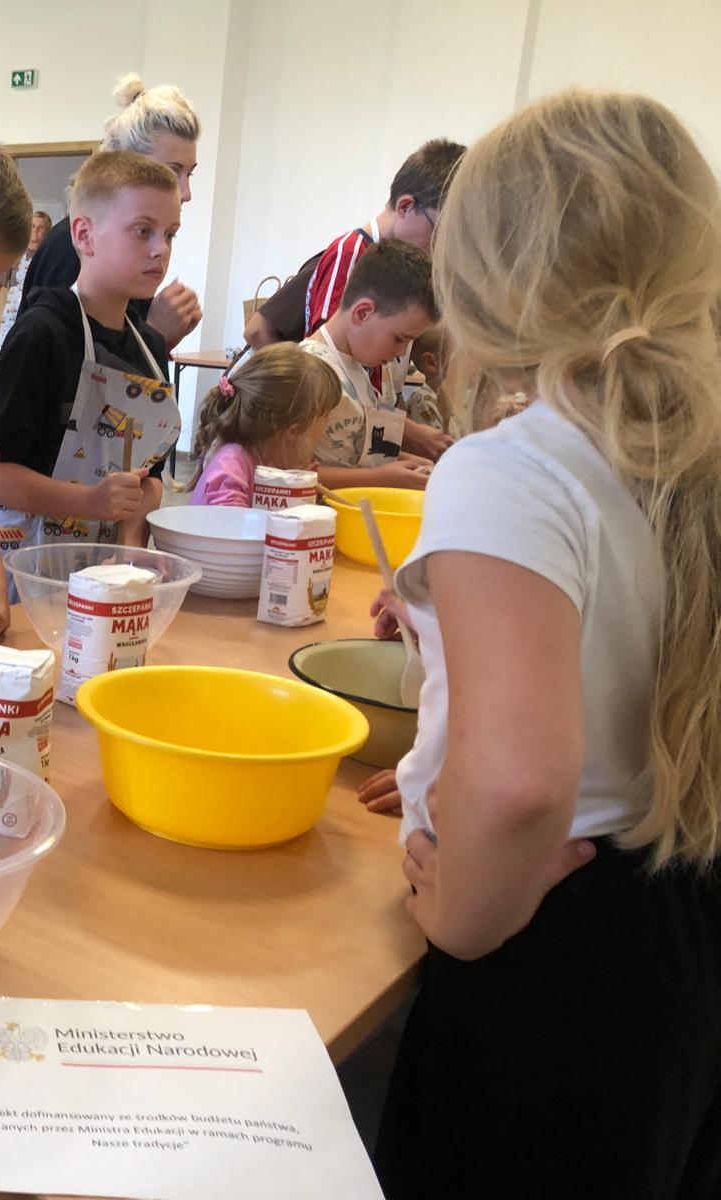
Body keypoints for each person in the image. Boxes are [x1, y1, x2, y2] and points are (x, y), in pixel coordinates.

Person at [373, 90, 721, 1197]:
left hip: (553, 948)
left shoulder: (513, 464)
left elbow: (522, 786)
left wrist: (465, 918)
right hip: (684, 907)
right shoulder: (689, 449)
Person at [0, 151, 179, 552]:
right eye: (143, 231)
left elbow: (152, 476)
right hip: (29, 561)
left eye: (170, 234)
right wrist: (89, 502)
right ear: (84, 235)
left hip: (107, 563)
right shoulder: (41, 334)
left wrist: (131, 533)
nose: (161, 249)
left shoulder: (151, 347)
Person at [21, 74, 203, 348]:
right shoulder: (69, 249)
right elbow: (68, 364)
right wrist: (155, 335)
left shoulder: (130, 266)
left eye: (189, 174)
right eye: (171, 171)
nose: (185, 193)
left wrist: (153, 340)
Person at [243, 138, 465, 353]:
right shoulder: (349, 255)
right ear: (406, 206)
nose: (441, 249)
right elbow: (320, 354)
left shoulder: (396, 267)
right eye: (440, 233)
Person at [301, 241, 439, 491]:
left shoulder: (358, 368)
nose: (401, 353)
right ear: (363, 313)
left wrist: (406, 463)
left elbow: (354, 452)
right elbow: (287, 472)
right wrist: (381, 477)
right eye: (399, 339)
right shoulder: (309, 371)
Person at [185, 343, 339, 507]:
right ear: (293, 431)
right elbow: (227, 521)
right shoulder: (232, 466)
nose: (327, 422)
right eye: (325, 415)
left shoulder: (267, 459)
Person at [0, 208, 51, 350]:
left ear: (47, 232)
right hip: (12, 315)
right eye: (33, 226)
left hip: (36, 316)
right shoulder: (15, 255)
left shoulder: (47, 259)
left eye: (40, 227)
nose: (35, 231)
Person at [404, 324, 449, 432]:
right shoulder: (423, 403)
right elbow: (439, 442)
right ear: (431, 362)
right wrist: (447, 419)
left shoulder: (449, 397)